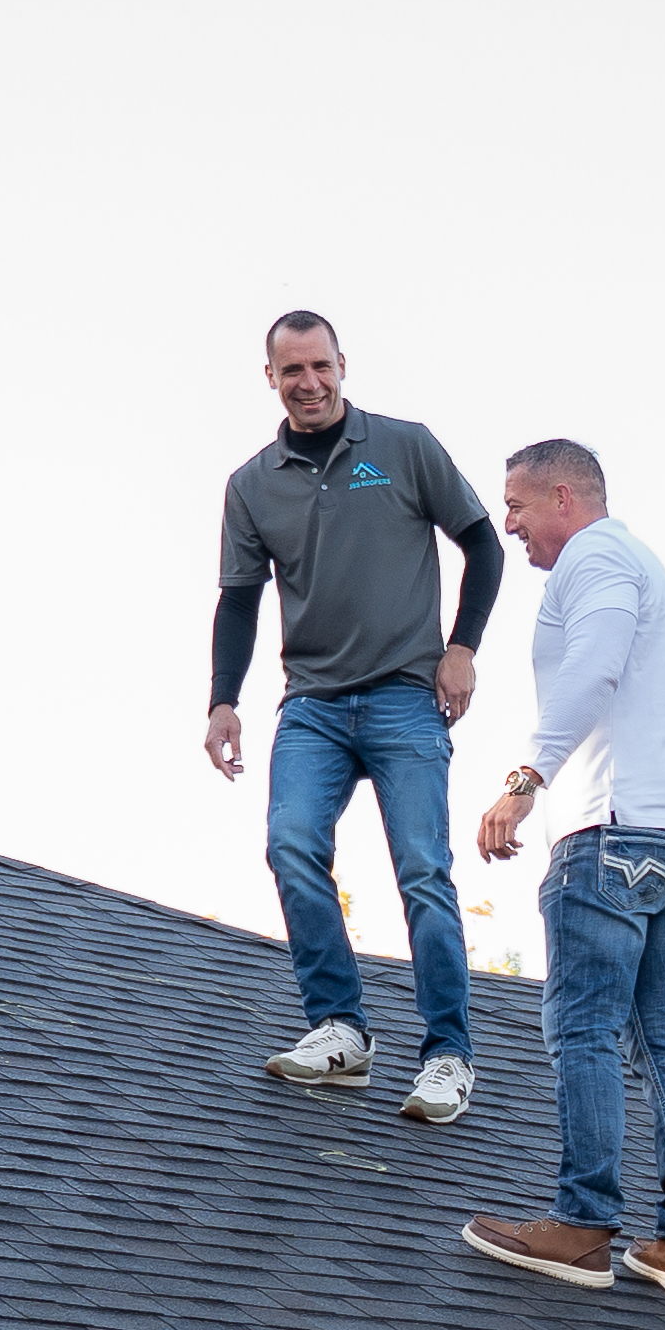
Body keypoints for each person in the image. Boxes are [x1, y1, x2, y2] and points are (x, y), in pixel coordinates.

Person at [203, 309, 502, 1127]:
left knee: (423, 873)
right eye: (291, 371)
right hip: (312, 707)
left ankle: (447, 1055)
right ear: (270, 377)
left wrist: (462, 647)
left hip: (407, 696)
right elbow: (238, 600)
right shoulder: (252, 482)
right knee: (290, 845)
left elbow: (484, 544)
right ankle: (341, 1030)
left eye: (320, 368)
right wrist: (222, 699)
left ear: (343, 365)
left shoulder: (404, 447)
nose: (308, 384)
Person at [459, 441, 665, 1306]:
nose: (508, 524)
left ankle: (581, 1225)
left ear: (563, 497)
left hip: (613, 830)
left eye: (517, 505)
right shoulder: (641, 562)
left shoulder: (597, 556)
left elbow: (595, 663)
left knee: (583, 1028)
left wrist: (523, 780)